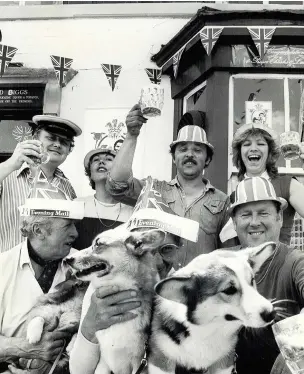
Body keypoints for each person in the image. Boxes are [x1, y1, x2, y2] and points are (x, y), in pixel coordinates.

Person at [106, 104, 230, 269]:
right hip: (158, 288)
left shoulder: (222, 201)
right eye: (183, 149)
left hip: (200, 290)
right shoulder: (153, 189)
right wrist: (131, 135)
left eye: (198, 150)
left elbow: (228, 255)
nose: (189, 154)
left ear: (207, 159)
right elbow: (116, 185)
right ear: (174, 157)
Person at [0, 188, 84, 374]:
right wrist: (25, 347)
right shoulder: (2, 267)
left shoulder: (84, 266)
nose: (75, 233)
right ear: (39, 231)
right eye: (68, 225)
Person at [226, 176, 304, 374]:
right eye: (245, 215)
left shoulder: (295, 262)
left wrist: (293, 352)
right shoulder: (222, 263)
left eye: (263, 213)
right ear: (234, 223)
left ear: (279, 218)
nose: (254, 222)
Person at [0, 115, 82, 253]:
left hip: (52, 271)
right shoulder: (7, 175)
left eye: (64, 142)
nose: (57, 144)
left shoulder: (68, 188)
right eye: (51, 138)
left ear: (69, 150)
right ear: (35, 139)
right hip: (8, 269)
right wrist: (11, 164)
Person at [221, 122, 304, 245]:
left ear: (270, 152)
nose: (253, 148)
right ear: (240, 153)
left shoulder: (287, 184)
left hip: (280, 262)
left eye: (260, 144)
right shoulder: (235, 195)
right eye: (247, 144)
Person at [73, 146, 133, 249]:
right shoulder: (77, 204)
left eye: (109, 159)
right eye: (96, 160)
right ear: (90, 173)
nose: (101, 162)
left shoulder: (132, 210)